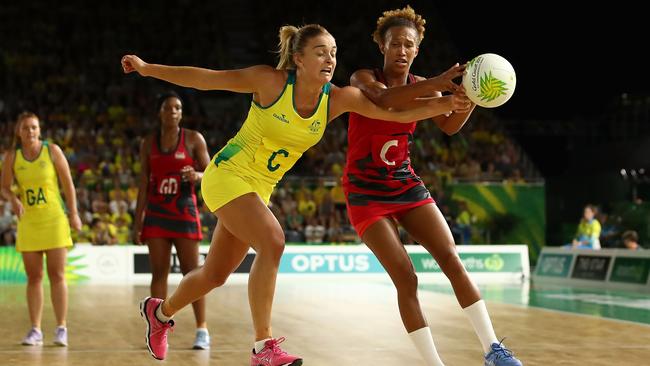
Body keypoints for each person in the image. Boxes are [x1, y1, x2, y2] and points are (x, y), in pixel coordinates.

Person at [122, 22, 469, 365]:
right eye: (320, 52)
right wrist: (148, 69)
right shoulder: (269, 82)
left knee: (215, 275)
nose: (329, 59)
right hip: (227, 174)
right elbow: (207, 78)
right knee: (273, 240)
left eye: (333, 53)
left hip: (259, 189)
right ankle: (263, 347)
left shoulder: (337, 99)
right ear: (299, 59)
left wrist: (449, 103)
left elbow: (392, 113)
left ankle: (160, 312)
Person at [343, 6, 522, 365]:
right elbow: (383, 100)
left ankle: (493, 350)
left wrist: (468, 98)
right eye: (395, 44)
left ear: (417, 49)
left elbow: (449, 126)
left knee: (452, 260)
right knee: (406, 280)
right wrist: (441, 85)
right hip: (365, 193)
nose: (402, 51)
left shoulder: (422, 85)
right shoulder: (363, 77)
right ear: (382, 45)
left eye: (409, 45)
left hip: (405, 184)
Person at [133, 91, 212, 350]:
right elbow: (143, 183)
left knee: (194, 273)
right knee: (159, 271)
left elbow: (211, 173)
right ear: (160, 112)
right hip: (156, 214)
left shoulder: (193, 139)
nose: (174, 112)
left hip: (184, 211)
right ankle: (157, 327)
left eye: (178, 108)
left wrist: (197, 176)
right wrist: (138, 220)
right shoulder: (148, 142)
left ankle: (202, 329)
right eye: (169, 108)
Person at [0, 112, 82, 347]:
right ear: (19, 131)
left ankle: (61, 328)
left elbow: (68, 184)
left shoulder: (52, 151)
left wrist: (74, 213)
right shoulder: (12, 157)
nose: (31, 131)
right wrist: (13, 199)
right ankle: (35, 329)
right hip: (29, 222)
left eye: (34, 127)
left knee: (57, 276)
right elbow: (4, 188)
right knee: (33, 278)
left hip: (54, 220)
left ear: (40, 130)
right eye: (26, 127)